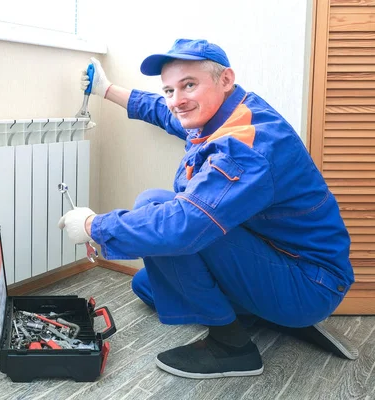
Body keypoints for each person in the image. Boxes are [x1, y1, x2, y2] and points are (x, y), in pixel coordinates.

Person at [58, 38, 357, 379]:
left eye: (189, 85)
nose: (177, 100)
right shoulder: (228, 110)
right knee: (146, 286)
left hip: (308, 283)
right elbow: (165, 111)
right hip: (281, 261)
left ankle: (232, 347)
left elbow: (182, 226)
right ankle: (259, 310)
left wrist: (94, 226)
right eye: (170, 89)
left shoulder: (246, 146)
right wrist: (106, 89)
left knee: (157, 209)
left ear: (225, 79)